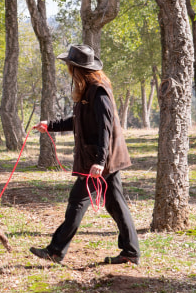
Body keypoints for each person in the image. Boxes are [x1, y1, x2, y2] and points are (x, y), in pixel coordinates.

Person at [29, 44, 140, 265]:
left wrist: (100, 161)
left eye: (69, 66)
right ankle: (130, 252)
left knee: (77, 202)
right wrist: (50, 125)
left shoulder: (98, 91)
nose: (68, 70)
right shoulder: (88, 90)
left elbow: (105, 128)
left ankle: (56, 251)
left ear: (76, 69)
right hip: (100, 158)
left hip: (101, 159)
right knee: (115, 204)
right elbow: (78, 121)